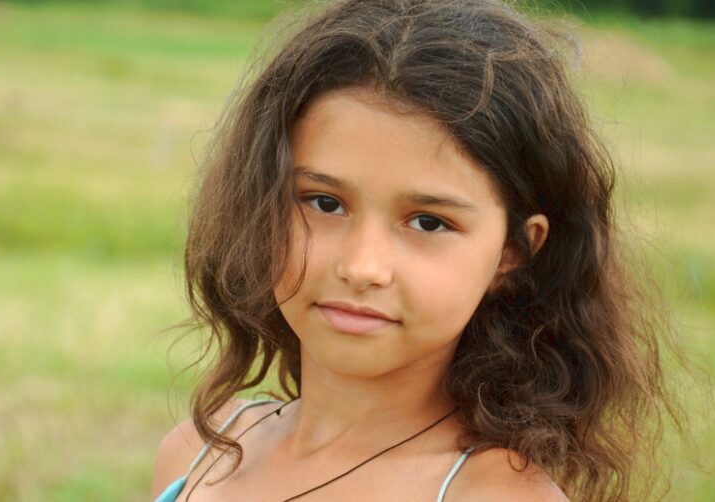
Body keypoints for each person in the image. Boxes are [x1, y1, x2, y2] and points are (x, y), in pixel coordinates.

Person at [151, 0, 688, 500]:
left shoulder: (492, 495)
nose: (362, 267)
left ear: (514, 252)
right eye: (324, 203)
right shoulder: (199, 450)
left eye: (428, 221)